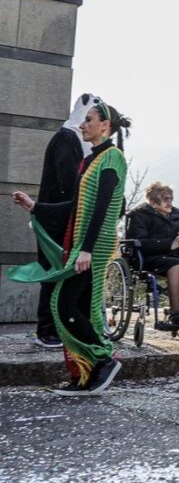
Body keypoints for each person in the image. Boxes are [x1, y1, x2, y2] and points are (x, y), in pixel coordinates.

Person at [11, 100, 130, 396]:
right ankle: (86, 374)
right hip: (81, 242)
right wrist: (36, 206)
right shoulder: (91, 159)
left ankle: (103, 360)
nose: (83, 125)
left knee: (62, 305)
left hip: (94, 245)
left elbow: (102, 209)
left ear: (105, 126)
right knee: (75, 307)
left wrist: (87, 250)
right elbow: (78, 207)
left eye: (89, 120)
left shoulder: (112, 157)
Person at [31, 93, 98, 349]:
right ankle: (46, 330)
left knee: (68, 276)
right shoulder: (66, 138)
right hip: (56, 220)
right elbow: (69, 182)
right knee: (53, 273)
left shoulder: (78, 141)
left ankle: (66, 327)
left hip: (68, 217)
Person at [125, 182, 179, 331]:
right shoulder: (139, 216)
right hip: (150, 259)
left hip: (176, 257)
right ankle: (175, 312)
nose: (169, 202)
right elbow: (137, 243)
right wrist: (169, 244)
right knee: (176, 265)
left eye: (170, 198)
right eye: (165, 198)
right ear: (153, 202)